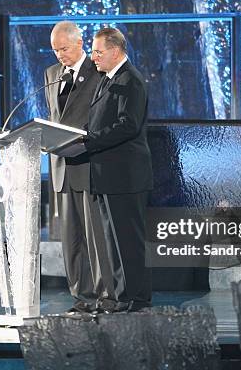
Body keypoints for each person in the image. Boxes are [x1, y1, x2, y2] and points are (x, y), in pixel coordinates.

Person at [84, 27, 153, 313]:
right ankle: (121, 295)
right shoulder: (108, 78)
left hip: (125, 175)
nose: (93, 57)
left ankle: (134, 298)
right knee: (114, 240)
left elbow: (128, 125)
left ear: (115, 50)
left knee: (128, 240)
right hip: (108, 175)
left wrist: (89, 141)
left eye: (98, 52)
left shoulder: (130, 80)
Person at [44, 21, 111, 313]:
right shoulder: (51, 75)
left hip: (89, 163)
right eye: (56, 50)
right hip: (61, 166)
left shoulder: (98, 73)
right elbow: (54, 116)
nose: (60, 55)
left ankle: (104, 295)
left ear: (80, 43)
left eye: (64, 48)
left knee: (95, 237)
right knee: (70, 239)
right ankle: (82, 296)